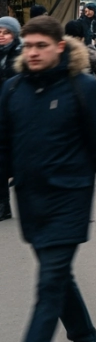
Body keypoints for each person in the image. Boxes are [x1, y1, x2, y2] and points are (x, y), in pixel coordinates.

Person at [1, 16, 96, 342]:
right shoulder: (12, 89)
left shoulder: (82, 87)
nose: (33, 52)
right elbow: (3, 148)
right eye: (28, 46)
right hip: (31, 202)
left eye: (41, 45)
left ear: (59, 46)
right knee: (58, 280)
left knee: (48, 287)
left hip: (70, 201)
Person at [0, 16, 20, 221]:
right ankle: (3, 205)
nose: (1, 35)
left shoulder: (21, 55)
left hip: (16, 114)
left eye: (6, 32)